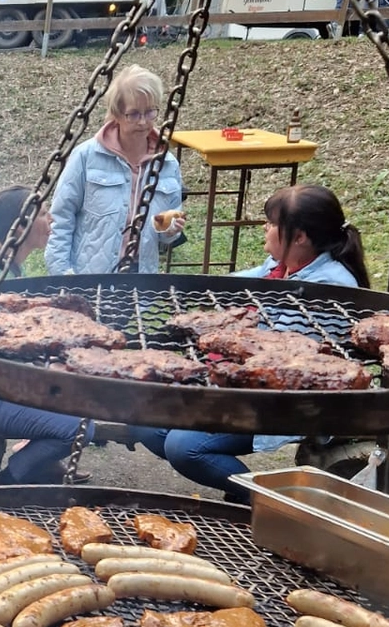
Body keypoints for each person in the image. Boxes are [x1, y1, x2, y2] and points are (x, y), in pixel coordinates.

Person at [135, 185, 371, 502]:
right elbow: (235, 285)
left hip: (286, 402)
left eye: (272, 223)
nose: (265, 228)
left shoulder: (329, 286)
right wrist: (184, 288)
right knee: (143, 421)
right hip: (246, 390)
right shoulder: (281, 266)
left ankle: (267, 500)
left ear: (299, 237)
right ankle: (240, 487)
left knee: (184, 447)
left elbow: (279, 353)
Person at [0, 187, 90, 483]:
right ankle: (10, 479)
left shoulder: (7, 267)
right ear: (20, 226)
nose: (50, 219)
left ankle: (40, 463)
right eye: (42, 214)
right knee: (80, 428)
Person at [44, 64, 185, 278]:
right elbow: (61, 219)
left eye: (150, 112)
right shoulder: (86, 157)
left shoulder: (166, 164)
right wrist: (62, 272)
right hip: (89, 277)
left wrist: (170, 230)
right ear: (116, 114)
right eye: (134, 114)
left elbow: (168, 234)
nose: (143, 121)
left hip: (141, 278)